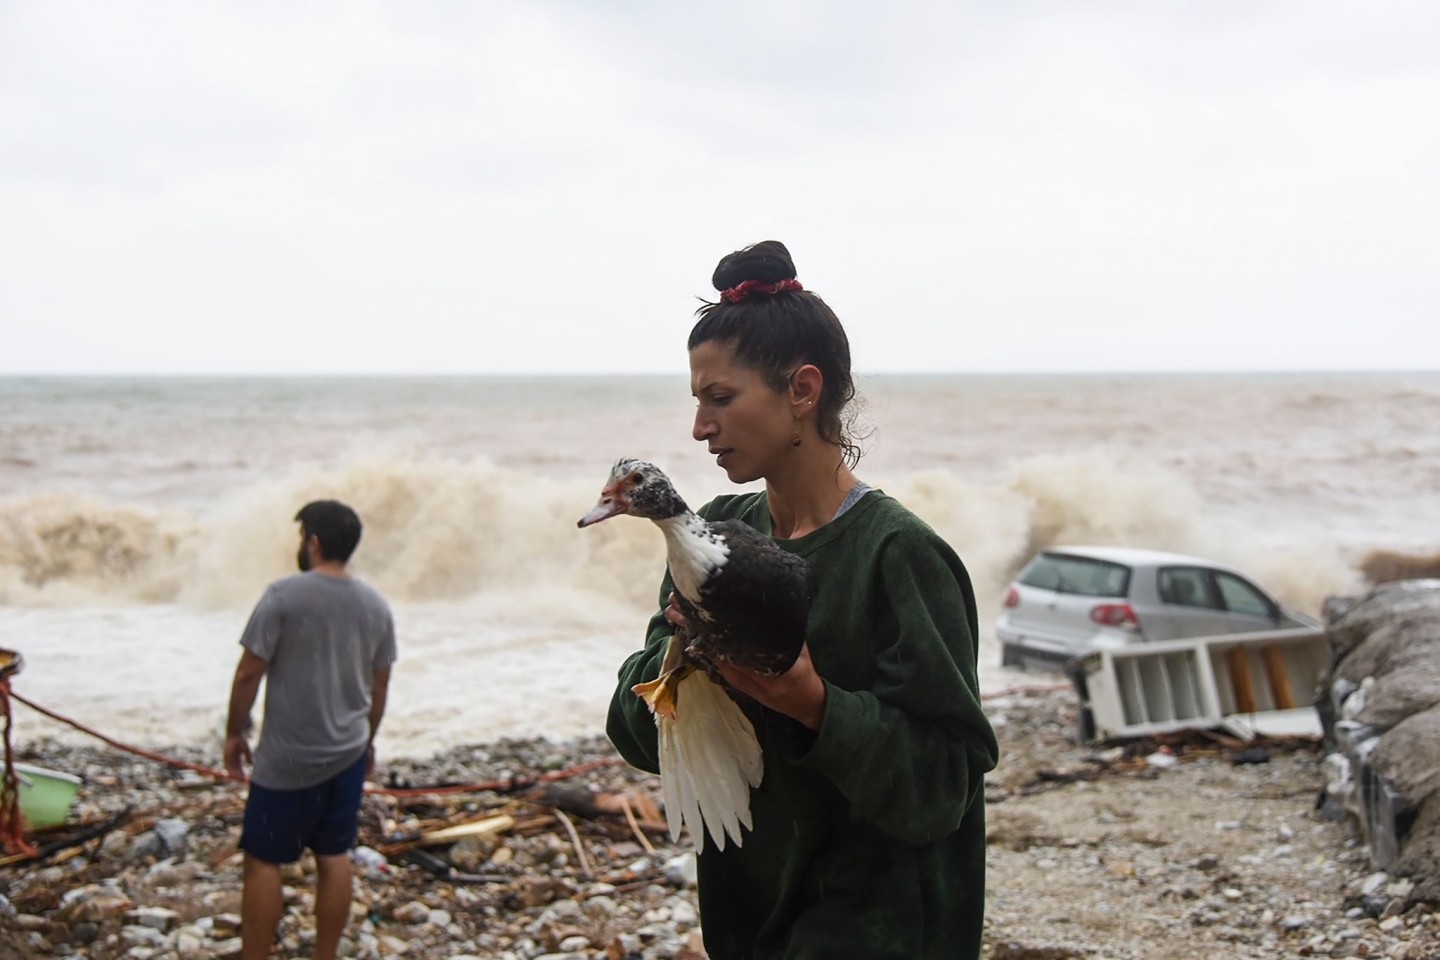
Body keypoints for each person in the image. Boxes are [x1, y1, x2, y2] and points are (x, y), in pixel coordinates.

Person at [607, 241, 1000, 959]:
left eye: (719, 399)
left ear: (802, 390)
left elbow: (945, 787)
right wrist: (683, 658)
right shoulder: (713, 539)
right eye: (697, 402)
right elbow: (636, 732)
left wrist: (812, 704)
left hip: (876, 926)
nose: (699, 428)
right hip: (748, 915)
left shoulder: (899, 556)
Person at [224, 500, 397, 960]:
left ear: (314, 542)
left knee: (264, 860)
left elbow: (248, 673)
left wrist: (234, 732)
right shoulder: (375, 604)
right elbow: (380, 684)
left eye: (304, 537)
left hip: (284, 760)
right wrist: (368, 738)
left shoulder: (284, 594)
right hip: (347, 753)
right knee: (334, 855)